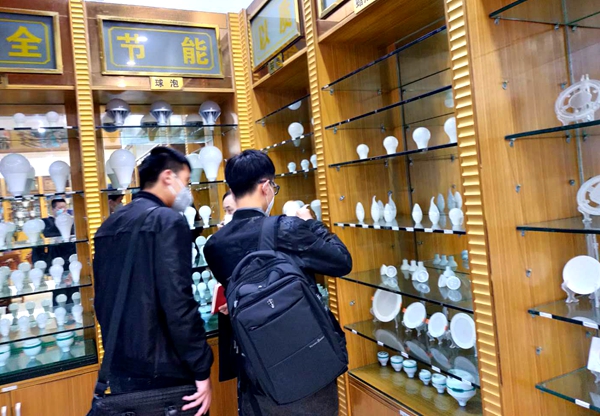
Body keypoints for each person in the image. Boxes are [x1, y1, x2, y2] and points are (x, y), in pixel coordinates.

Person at [204, 149, 352, 415]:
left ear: (233, 190)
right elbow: (342, 261)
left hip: (257, 370)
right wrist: (311, 223)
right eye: (273, 186)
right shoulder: (287, 228)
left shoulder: (214, 246)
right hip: (309, 363)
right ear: (265, 187)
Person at [93, 146, 213, 415]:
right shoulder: (167, 221)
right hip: (166, 369)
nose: (187, 191)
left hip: (121, 365)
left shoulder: (109, 225)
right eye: (186, 181)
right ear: (168, 177)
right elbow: (178, 302)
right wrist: (201, 367)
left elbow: (102, 300)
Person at [32, 198, 76, 270]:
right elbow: (49, 234)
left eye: (65, 207)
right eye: (60, 208)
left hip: (69, 259)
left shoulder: (70, 222)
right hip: (53, 259)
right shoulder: (47, 223)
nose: (63, 210)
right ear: (53, 210)